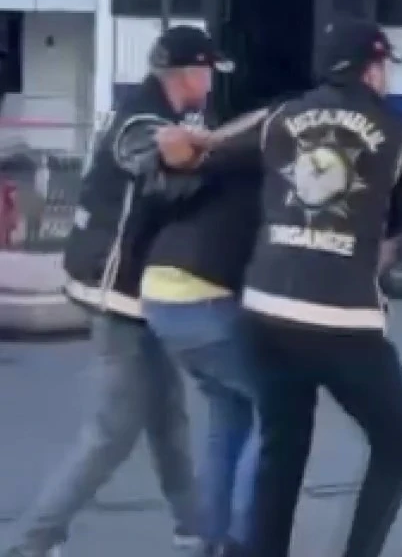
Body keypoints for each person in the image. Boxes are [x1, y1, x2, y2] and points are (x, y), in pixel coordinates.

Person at [167, 19, 402, 555]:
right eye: (384, 67)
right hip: (343, 320)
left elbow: (208, 155)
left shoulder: (280, 118)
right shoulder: (399, 133)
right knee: (398, 440)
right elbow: (401, 225)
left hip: (266, 311)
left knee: (283, 443)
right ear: (371, 70)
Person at [3, 26, 217, 557]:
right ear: (189, 73)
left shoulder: (150, 111)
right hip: (115, 292)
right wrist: (206, 152)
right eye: (209, 71)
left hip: (138, 294)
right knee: (112, 431)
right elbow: (151, 153)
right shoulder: (142, 121)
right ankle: (30, 542)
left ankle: (194, 531)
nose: (212, 82)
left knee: (168, 418)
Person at [140, 73, 298, 555]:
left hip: (160, 293)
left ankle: (207, 539)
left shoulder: (227, 152)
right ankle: (245, 541)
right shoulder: (271, 159)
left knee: (230, 414)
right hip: (201, 296)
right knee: (278, 410)